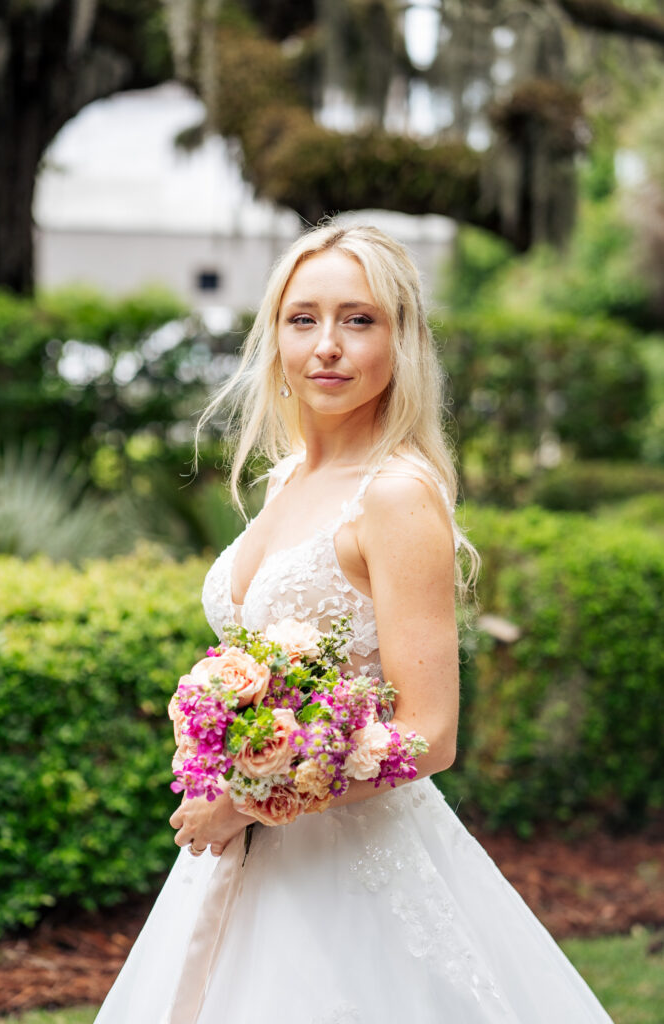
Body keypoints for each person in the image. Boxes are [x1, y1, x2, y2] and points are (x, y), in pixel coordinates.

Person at [95, 221, 613, 1023]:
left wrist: (253, 796)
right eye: (303, 319)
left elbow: (429, 735)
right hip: (248, 860)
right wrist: (225, 745)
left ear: (400, 340)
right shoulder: (288, 478)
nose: (327, 344)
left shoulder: (396, 496)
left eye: (358, 319)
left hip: (351, 866)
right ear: (274, 337)